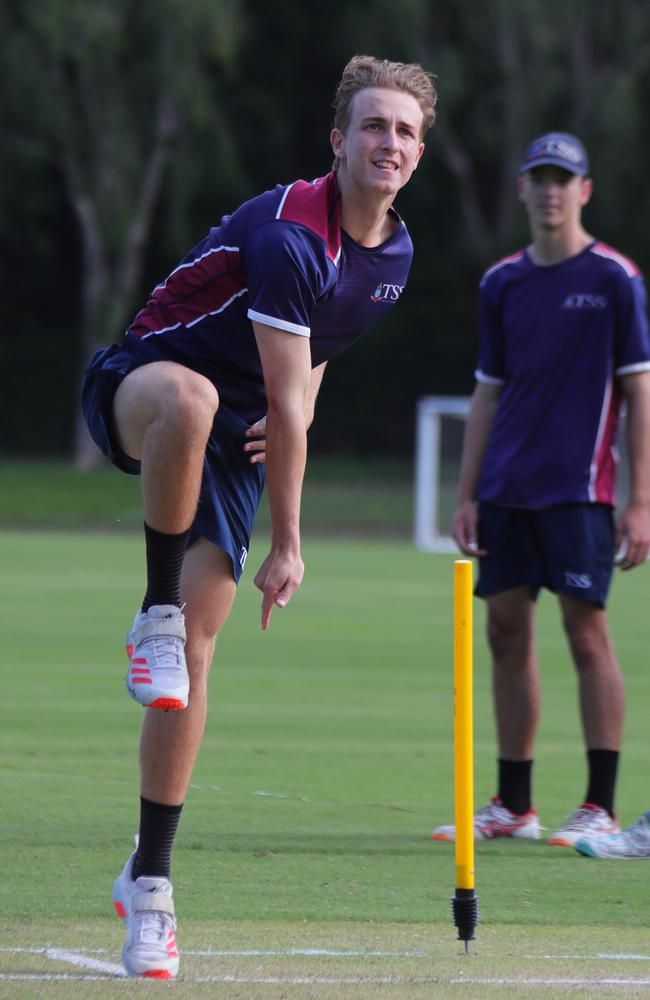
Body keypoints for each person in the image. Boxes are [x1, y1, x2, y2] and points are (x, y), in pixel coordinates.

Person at [82, 55, 436, 979]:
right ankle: (152, 609)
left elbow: (308, 379)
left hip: (235, 437)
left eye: (403, 130)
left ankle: (148, 883)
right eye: (371, 125)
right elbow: (283, 405)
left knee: (190, 668)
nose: (386, 142)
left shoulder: (394, 256)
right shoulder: (291, 233)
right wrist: (290, 543)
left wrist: (294, 425)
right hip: (143, 388)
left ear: (420, 151)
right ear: (338, 140)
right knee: (193, 400)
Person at [432, 132, 650, 849]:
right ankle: (514, 805)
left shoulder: (616, 279)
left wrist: (641, 499)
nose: (551, 190)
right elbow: (487, 394)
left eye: (565, 179)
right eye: (540, 178)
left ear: (585, 190)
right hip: (505, 491)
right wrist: (466, 493)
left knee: (586, 632)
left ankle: (599, 805)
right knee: (503, 634)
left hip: (581, 491)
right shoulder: (502, 282)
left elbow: (638, 390)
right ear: (523, 189)